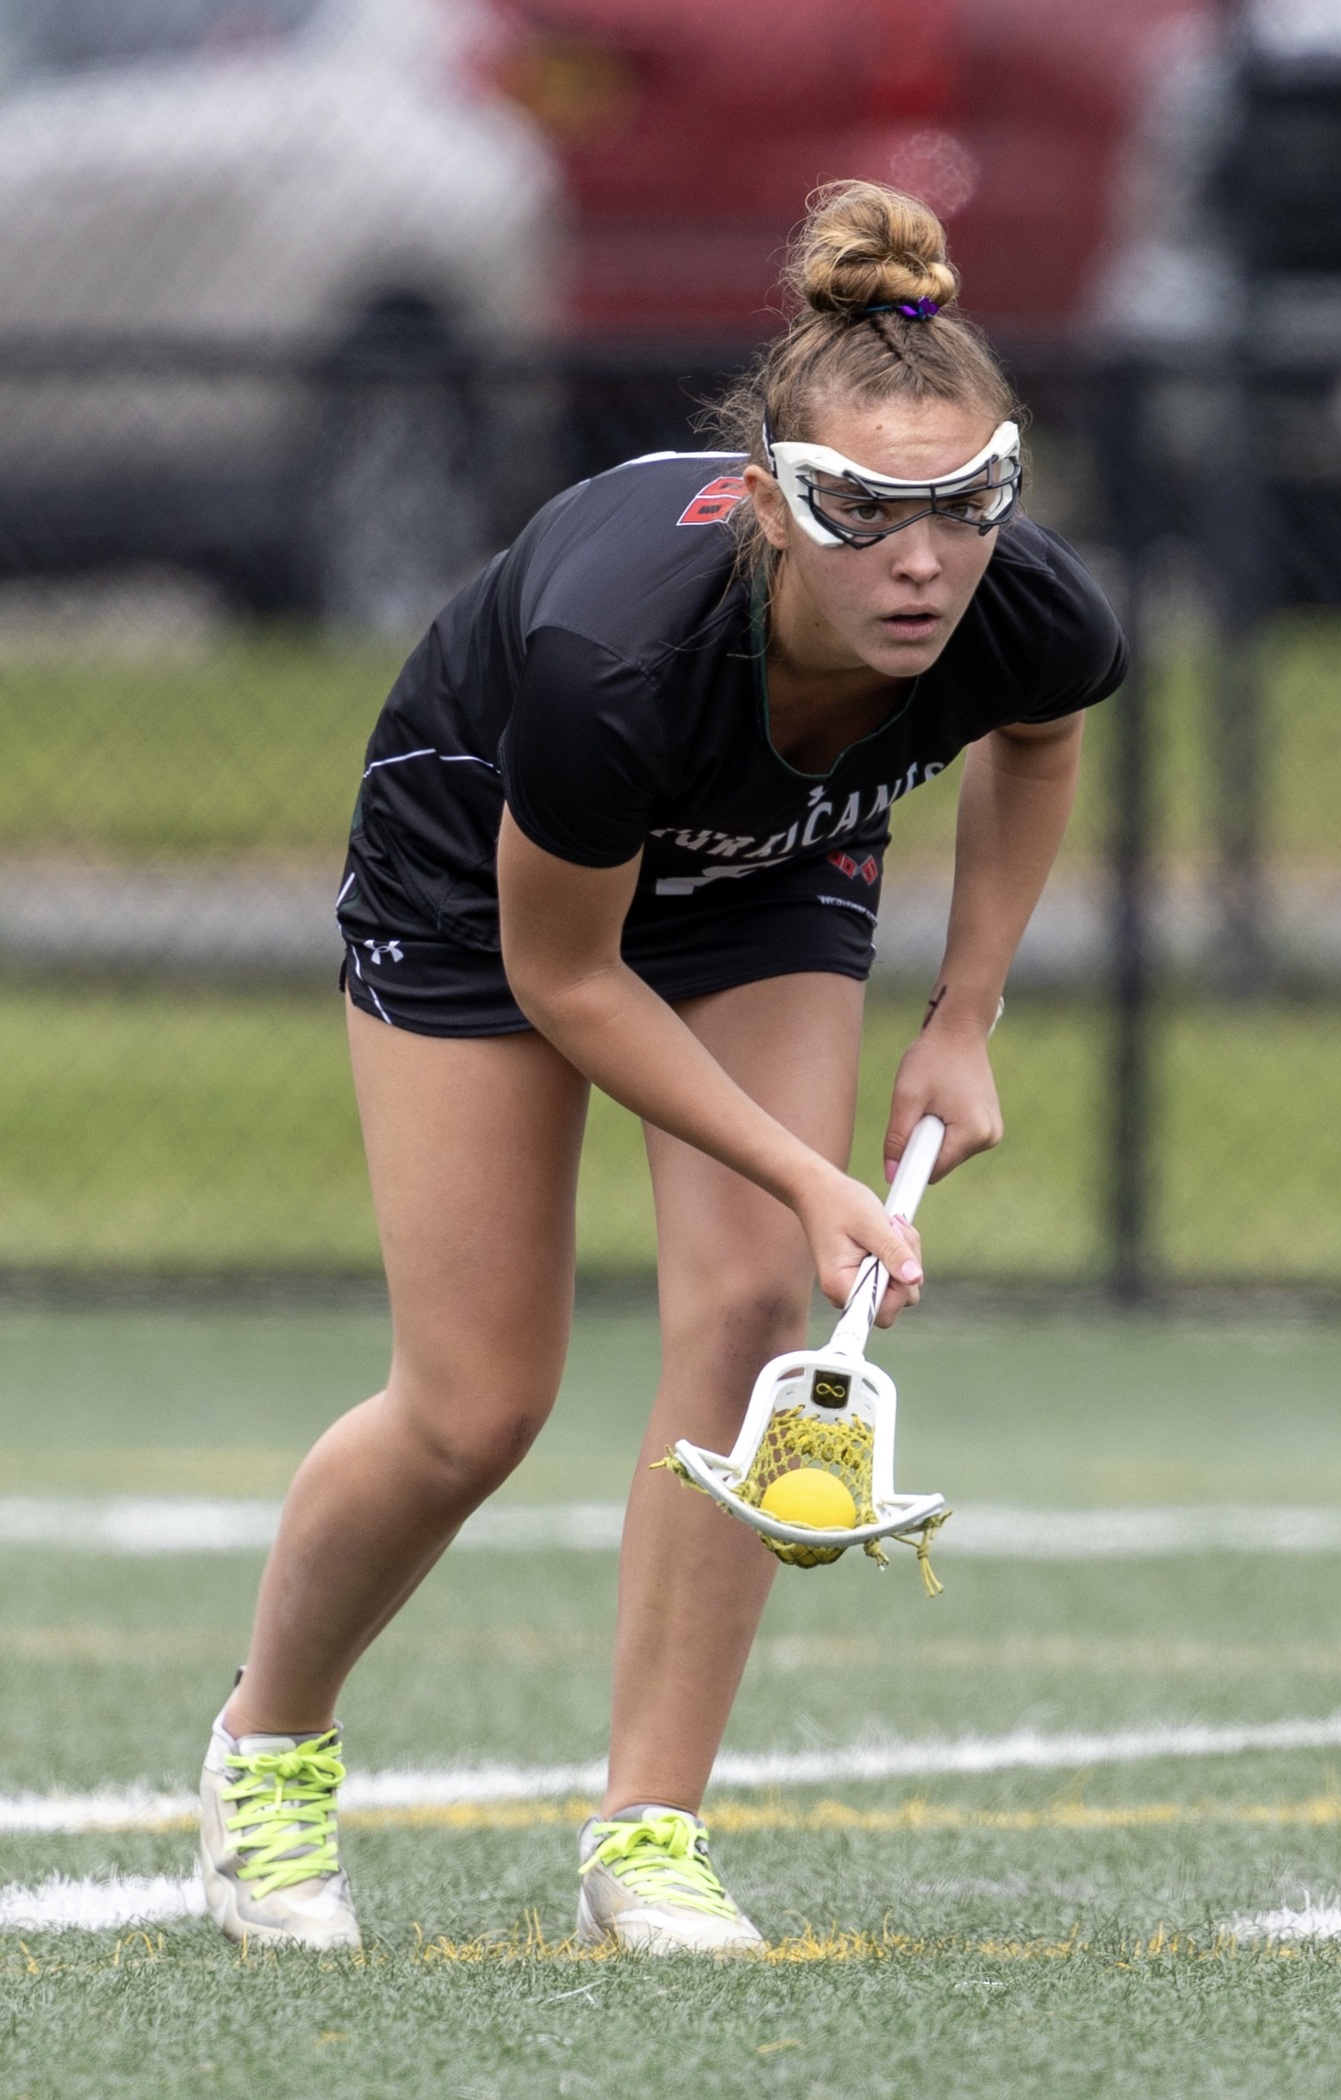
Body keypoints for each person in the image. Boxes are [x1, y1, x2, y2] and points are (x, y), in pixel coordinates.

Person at [197, 180, 1127, 1954]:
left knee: (747, 1316)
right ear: (775, 508)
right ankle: (268, 1748)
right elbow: (566, 974)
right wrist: (807, 1164)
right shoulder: (614, 657)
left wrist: (964, 1018)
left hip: (768, 870)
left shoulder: (1014, 607)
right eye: (868, 512)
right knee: (475, 1403)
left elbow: (1039, 741)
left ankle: (651, 1836)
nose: (923, 560)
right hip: (495, 886)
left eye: (968, 505)